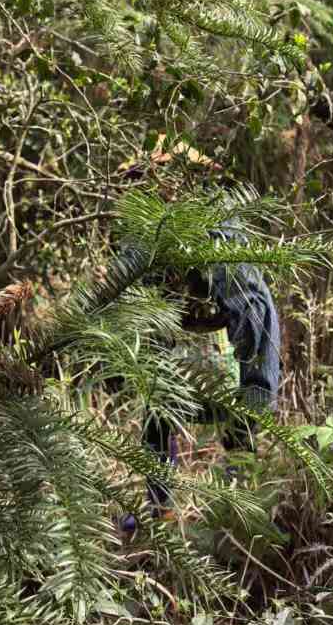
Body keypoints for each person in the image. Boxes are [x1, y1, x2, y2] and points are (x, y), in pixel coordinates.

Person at [116, 147, 280, 531]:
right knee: (157, 413)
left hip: (220, 351)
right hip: (173, 348)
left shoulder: (220, 226)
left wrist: (256, 393)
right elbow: (128, 296)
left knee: (238, 437)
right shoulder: (141, 233)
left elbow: (254, 310)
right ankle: (161, 509)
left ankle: (236, 509)